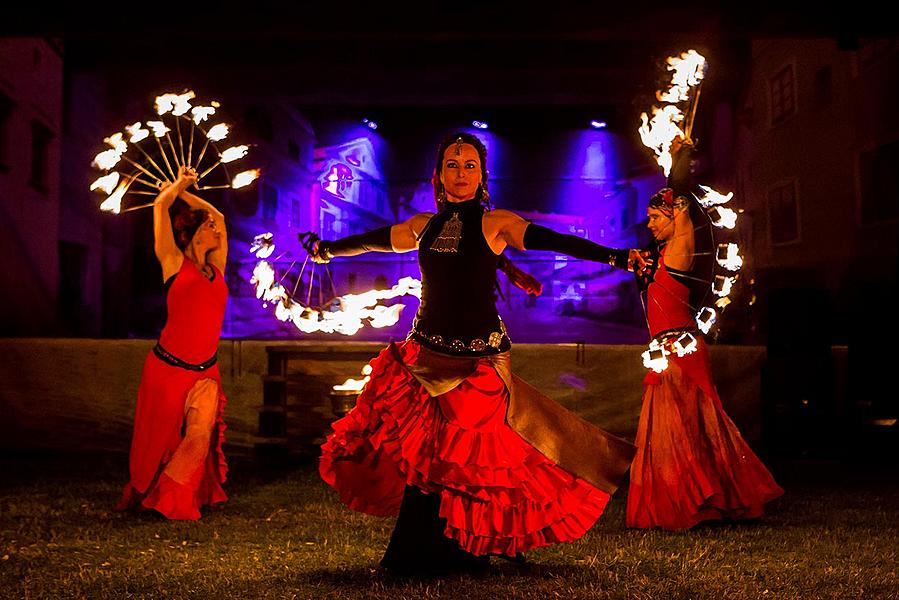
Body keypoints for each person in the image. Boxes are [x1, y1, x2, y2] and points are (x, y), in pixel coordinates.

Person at [312, 133, 643, 575]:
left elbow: (556, 240)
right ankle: (415, 556)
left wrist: (617, 257)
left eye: (470, 165)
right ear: (439, 174)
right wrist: (327, 250)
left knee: (476, 459)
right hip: (424, 356)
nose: (461, 173)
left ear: (483, 175)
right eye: (453, 164)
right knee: (430, 459)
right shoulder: (422, 225)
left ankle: (474, 547)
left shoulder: (497, 223)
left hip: (478, 363)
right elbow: (372, 241)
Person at [626, 140, 783, 530]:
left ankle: (699, 499)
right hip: (664, 351)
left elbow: (682, 200)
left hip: (681, 350)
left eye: (654, 218)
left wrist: (679, 160)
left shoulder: (681, 248)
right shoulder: (661, 258)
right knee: (676, 427)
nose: (649, 224)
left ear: (672, 218)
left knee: (688, 426)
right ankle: (695, 497)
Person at [116, 166, 230, 520]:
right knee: (157, 444)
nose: (215, 229)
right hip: (167, 370)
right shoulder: (173, 263)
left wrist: (186, 193)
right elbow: (159, 206)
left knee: (198, 437)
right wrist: (178, 187)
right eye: (207, 226)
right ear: (195, 234)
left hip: (205, 373)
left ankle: (174, 499)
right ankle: (150, 493)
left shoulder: (218, 268)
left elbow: (221, 215)